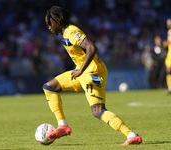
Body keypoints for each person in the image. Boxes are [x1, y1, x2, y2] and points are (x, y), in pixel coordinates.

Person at [43, 6, 142, 145]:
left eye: (49, 23)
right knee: (49, 87)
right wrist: (80, 70)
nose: (49, 27)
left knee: (98, 111)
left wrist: (81, 70)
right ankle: (63, 126)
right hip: (82, 73)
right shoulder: (65, 33)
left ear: (57, 20)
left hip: (92, 73)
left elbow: (91, 47)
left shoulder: (72, 32)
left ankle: (132, 135)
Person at [163, 19, 171, 95]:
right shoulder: (169, 32)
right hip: (169, 54)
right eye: (167, 24)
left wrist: (167, 42)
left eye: (169, 24)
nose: (168, 25)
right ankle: (169, 87)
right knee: (168, 70)